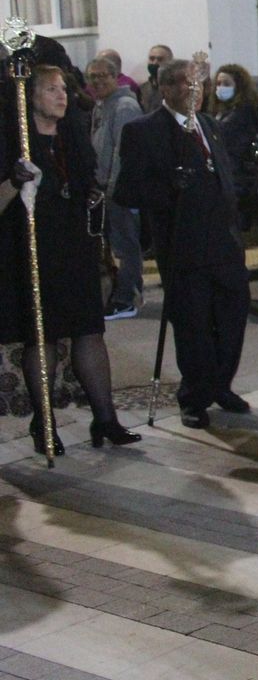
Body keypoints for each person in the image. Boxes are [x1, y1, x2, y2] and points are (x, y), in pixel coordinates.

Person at [1, 65, 142, 452]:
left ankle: (105, 419)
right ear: (29, 96)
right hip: (33, 251)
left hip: (75, 248)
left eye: (63, 88)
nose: (62, 96)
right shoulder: (17, 143)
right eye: (51, 89)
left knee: (89, 331)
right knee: (42, 337)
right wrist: (15, 181)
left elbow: (85, 186)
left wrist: (93, 204)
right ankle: (44, 424)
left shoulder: (71, 137)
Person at [117, 59, 251, 427]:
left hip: (224, 244)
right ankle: (194, 396)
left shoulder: (209, 125)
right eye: (186, 86)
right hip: (183, 248)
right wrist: (168, 187)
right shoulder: (143, 131)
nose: (196, 92)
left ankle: (221, 384)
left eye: (199, 85)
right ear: (166, 89)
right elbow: (125, 190)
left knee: (232, 319)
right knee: (193, 328)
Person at [85, 56, 145, 319]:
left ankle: (125, 298)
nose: (97, 81)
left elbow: (124, 152)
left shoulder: (124, 107)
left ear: (115, 77)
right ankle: (127, 291)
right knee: (115, 244)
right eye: (92, 77)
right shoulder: (102, 106)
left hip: (121, 190)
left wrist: (113, 187)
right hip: (104, 188)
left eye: (102, 76)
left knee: (126, 246)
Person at [209, 64, 258, 228]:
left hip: (238, 176)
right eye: (218, 84)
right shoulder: (221, 111)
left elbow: (234, 146)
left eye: (226, 84)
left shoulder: (243, 113)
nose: (220, 88)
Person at [139, 44, 173, 113]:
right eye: (152, 59)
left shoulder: (175, 88)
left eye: (160, 59)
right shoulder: (142, 89)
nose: (155, 63)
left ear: (170, 62)